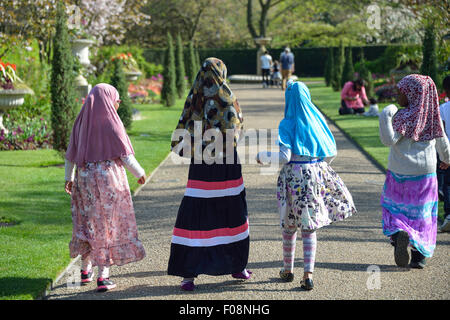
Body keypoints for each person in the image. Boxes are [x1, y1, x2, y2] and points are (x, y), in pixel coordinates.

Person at [256, 80, 356, 290]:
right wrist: (317, 167)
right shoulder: (316, 119)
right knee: (309, 226)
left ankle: (287, 269)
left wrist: (263, 156)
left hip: (293, 178)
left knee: (289, 224)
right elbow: (330, 152)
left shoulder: (287, 123)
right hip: (313, 175)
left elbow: (285, 156)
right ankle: (308, 274)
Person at [168, 58, 251, 291]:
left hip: (201, 164)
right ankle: (237, 265)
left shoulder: (195, 98)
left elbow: (181, 131)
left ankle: (188, 274)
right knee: (232, 211)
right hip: (226, 163)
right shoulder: (227, 96)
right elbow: (236, 131)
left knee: (196, 213)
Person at [64, 83, 147, 292]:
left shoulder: (81, 121)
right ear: (109, 98)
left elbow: (71, 154)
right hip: (109, 181)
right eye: (116, 98)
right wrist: (140, 173)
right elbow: (125, 155)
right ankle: (103, 276)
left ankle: (85, 270)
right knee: (108, 225)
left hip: (84, 180)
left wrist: (69, 177)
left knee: (89, 222)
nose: (118, 102)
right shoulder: (111, 121)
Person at [379, 74, 450, 269]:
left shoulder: (401, 116)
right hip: (425, 173)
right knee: (423, 213)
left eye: (401, 91)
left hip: (398, 171)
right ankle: (419, 256)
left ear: (411, 94)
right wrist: (446, 160)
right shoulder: (432, 118)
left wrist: (386, 113)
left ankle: (397, 234)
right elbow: (443, 143)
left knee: (394, 207)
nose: (398, 95)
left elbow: (388, 140)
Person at [438, 75, 450, 232]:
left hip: (449, 153)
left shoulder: (443, 109)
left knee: (448, 185)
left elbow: (442, 134)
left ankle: (449, 215)